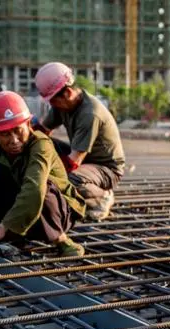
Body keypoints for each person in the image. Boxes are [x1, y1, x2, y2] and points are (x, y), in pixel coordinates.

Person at [0, 90, 86, 257]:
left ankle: (61, 240)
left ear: (28, 124)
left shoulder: (41, 145)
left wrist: (2, 228)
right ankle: (13, 236)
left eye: (18, 130)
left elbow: (34, 189)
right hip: (23, 212)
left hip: (57, 212)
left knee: (43, 186)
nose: (13, 140)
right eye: (4, 134)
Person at [33, 62, 126, 220]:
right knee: (43, 143)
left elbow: (73, 162)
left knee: (69, 179)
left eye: (53, 101)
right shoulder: (62, 105)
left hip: (107, 169)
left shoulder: (90, 114)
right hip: (85, 161)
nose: (52, 105)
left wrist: (42, 175)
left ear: (68, 92)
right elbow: (41, 131)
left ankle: (102, 197)